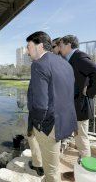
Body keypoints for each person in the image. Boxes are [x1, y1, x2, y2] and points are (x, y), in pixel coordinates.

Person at [26, 31, 77, 182]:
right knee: (52, 163)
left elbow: (41, 104)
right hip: (64, 121)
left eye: (29, 47)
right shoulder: (65, 63)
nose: (27, 51)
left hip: (49, 125)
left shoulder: (38, 65)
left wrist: (39, 124)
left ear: (39, 46)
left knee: (51, 172)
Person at [58, 35, 96, 158]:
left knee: (81, 138)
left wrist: (89, 92)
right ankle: (84, 162)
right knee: (79, 137)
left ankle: (86, 166)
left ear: (68, 45)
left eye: (61, 45)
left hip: (81, 107)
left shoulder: (79, 58)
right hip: (75, 107)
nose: (59, 48)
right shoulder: (71, 58)